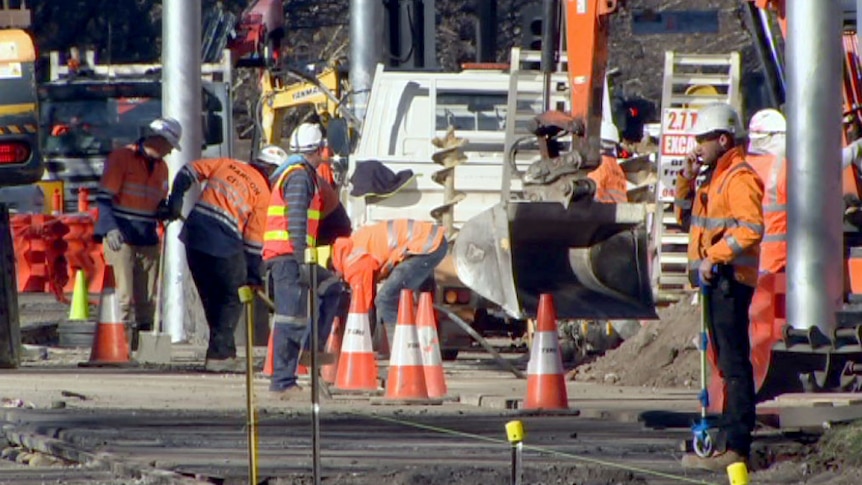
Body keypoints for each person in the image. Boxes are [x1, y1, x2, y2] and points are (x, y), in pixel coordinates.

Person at [674, 103, 763, 471]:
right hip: (715, 285)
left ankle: (737, 445)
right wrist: (687, 179)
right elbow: (685, 219)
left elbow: (751, 226)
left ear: (723, 139)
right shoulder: (713, 178)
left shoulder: (738, 177)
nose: (698, 146)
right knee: (723, 365)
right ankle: (725, 439)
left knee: (734, 364)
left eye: (703, 139)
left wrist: (716, 256)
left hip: (730, 282)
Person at [165, 147, 281, 372]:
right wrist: (254, 276)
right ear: (272, 172)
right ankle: (220, 356)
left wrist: (175, 199)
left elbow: (188, 171)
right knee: (232, 295)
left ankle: (220, 352)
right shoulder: (263, 194)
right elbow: (253, 243)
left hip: (195, 235)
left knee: (212, 296)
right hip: (222, 240)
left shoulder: (227, 164)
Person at [263, 123, 344, 399]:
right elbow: (296, 219)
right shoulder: (299, 177)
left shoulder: (298, 173)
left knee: (330, 287)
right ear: (319, 149)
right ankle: (283, 382)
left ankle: (310, 357)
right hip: (288, 257)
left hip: (291, 255)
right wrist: (300, 260)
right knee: (290, 318)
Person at [94, 117, 181, 347]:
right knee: (122, 297)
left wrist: (165, 210)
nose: (171, 151)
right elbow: (104, 200)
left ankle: (142, 348)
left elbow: (154, 203)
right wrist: (110, 228)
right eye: (170, 145)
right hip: (121, 238)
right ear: (158, 140)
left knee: (147, 301)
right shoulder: (121, 158)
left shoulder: (162, 168)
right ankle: (117, 347)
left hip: (147, 239)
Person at [330, 219, 448, 345]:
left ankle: (401, 350)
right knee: (421, 300)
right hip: (428, 241)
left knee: (386, 299)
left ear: (335, 269)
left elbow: (363, 309)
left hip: (426, 246)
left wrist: (360, 344)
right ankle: (424, 348)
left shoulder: (352, 263)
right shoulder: (354, 244)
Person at [588, 121, 629, 203]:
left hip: (604, 212)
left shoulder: (598, 166)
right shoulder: (616, 168)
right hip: (618, 211)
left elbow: (593, 195)